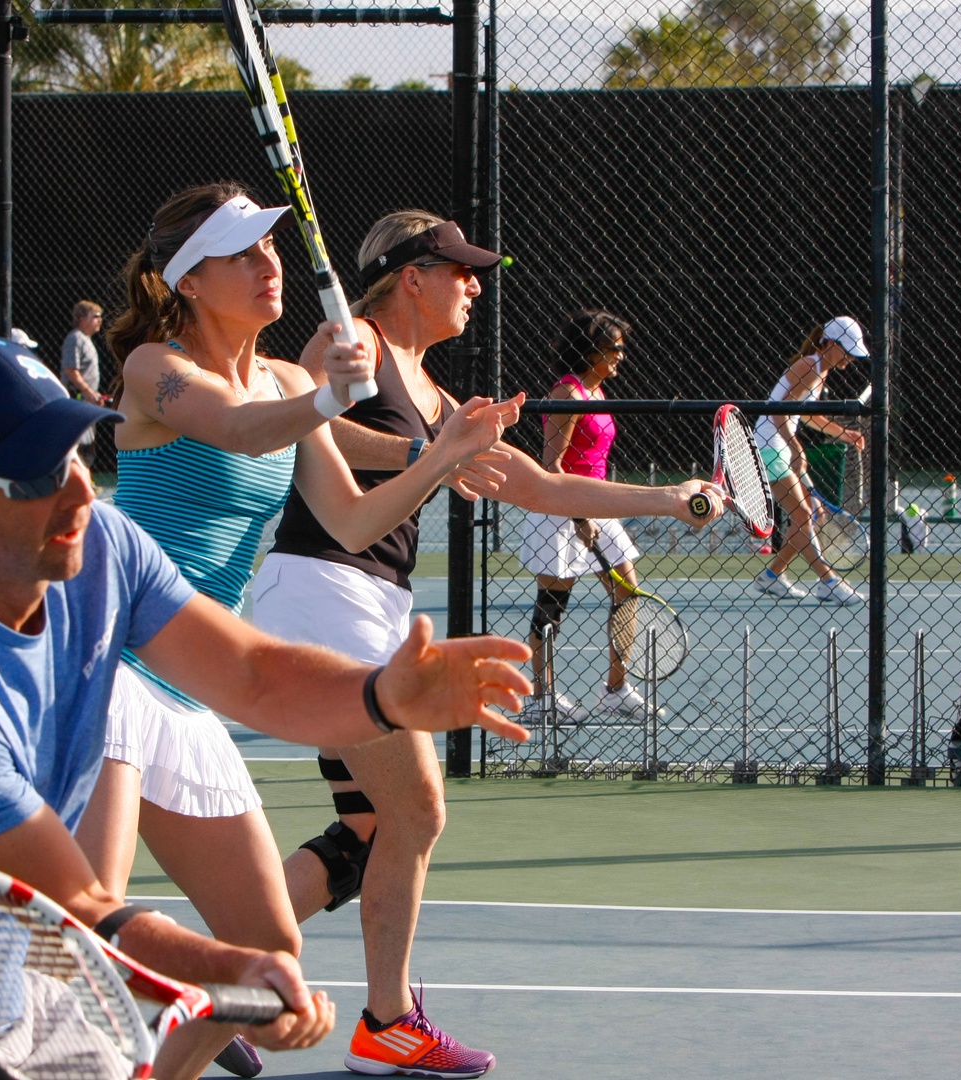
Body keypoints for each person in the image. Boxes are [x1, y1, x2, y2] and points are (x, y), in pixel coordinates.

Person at [0, 334, 534, 1080]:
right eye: (32, 477)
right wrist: (234, 971)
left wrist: (383, 696)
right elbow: (80, 903)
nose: (78, 492)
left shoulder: (103, 549)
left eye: (78, 453)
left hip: (8, 969)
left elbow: (252, 673)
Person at [250, 211, 724, 1078]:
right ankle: (387, 1024)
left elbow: (541, 487)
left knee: (368, 830)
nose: (474, 284)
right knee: (419, 811)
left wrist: (666, 497)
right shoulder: (348, 346)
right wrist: (420, 444)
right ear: (410, 278)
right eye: (458, 269)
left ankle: (232, 982)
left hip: (371, 603)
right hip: (325, 589)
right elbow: (306, 425)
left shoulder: (436, 396)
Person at [73, 183, 519, 1080]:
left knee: (267, 956)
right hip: (109, 666)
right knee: (90, 924)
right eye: (241, 253)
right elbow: (238, 431)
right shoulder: (155, 369)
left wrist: (440, 458)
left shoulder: (283, 380)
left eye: (270, 246)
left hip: (190, 684)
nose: (267, 263)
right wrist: (327, 396)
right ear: (189, 280)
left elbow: (352, 520)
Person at [517, 309, 651, 719]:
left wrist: (592, 512)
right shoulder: (567, 395)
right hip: (559, 509)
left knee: (627, 591)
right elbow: (552, 465)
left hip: (597, 504)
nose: (621, 356)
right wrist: (579, 517)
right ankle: (541, 698)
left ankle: (616, 689)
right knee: (552, 606)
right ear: (591, 351)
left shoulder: (596, 393)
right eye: (614, 348)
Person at [752, 316, 869, 605]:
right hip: (770, 446)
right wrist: (795, 448)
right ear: (829, 343)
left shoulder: (819, 370)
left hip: (776, 445)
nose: (850, 358)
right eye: (846, 350)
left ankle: (773, 576)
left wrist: (845, 434)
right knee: (804, 515)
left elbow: (807, 415)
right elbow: (779, 412)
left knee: (809, 514)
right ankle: (829, 581)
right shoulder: (809, 366)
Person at [62, 301, 108, 465]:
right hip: (77, 401)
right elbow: (70, 371)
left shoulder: (86, 340)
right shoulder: (75, 338)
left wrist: (93, 395)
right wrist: (88, 392)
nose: (100, 320)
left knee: (88, 447)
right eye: (95, 316)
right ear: (82, 319)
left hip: (86, 401)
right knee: (79, 447)